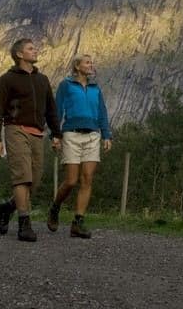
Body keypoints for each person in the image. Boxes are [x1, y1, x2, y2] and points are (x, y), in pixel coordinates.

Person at [0, 38, 61, 242]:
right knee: (22, 176)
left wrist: (56, 134)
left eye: (35, 47)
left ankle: (7, 208)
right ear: (19, 54)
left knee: (35, 180)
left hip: (37, 133)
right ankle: (24, 224)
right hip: (15, 129)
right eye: (30, 48)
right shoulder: (7, 79)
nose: (35, 50)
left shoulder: (43, 80)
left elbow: (51, 109)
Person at [47, 54, 112, 239]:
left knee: (87, 179)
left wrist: (106, 135)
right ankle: (55, 207)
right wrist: (55, 135)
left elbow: (102, 113)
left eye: (92, 62)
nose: (91, 65)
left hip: (92, 135)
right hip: (71, 134)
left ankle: (78, 222)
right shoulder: (66, 85)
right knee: (71, 180)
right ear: (77, 66)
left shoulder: (95, 88)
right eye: (87, 62)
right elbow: (57, 111)